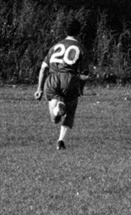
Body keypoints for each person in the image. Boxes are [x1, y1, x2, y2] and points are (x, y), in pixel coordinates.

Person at [34, 18, 90, 149]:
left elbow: (43, 68)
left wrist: (39, 88)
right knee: (70, 112)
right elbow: (84, 74)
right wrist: (80, 88)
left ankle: (58, 106)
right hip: (69, 80)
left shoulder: (55, 46)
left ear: (65, 31)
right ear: (79, 32)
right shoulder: (81, 48)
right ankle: (61, 141)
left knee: (55, 119)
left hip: (52, 79)